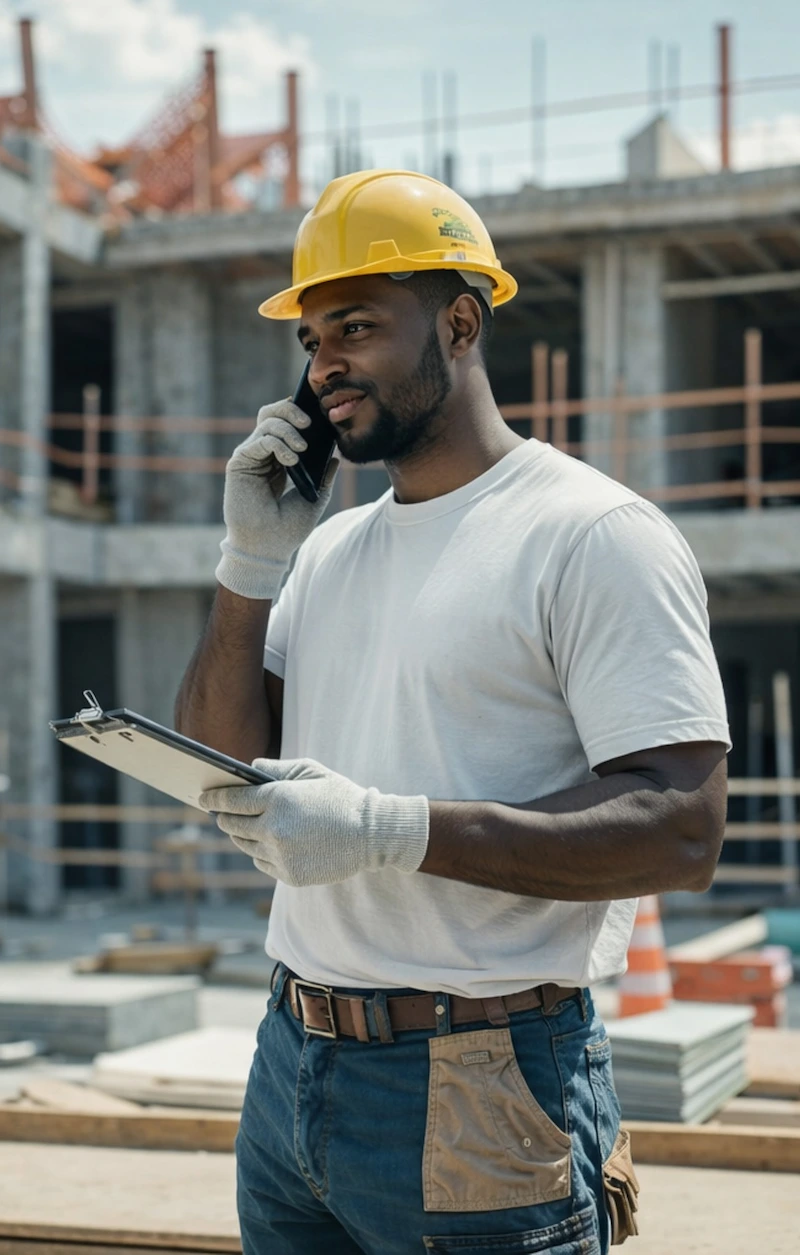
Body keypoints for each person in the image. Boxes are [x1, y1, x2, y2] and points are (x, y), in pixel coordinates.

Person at [174, 170, 730, 1255]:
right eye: (311, 338)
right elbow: (219, 752)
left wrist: (390, 830)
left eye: (357, 327)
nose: (323, 363)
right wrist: (248, 562)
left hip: (480, 1072)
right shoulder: (327, 549)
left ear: (461, 323)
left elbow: (681, 825)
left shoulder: (590, 534)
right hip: (292, 1058)